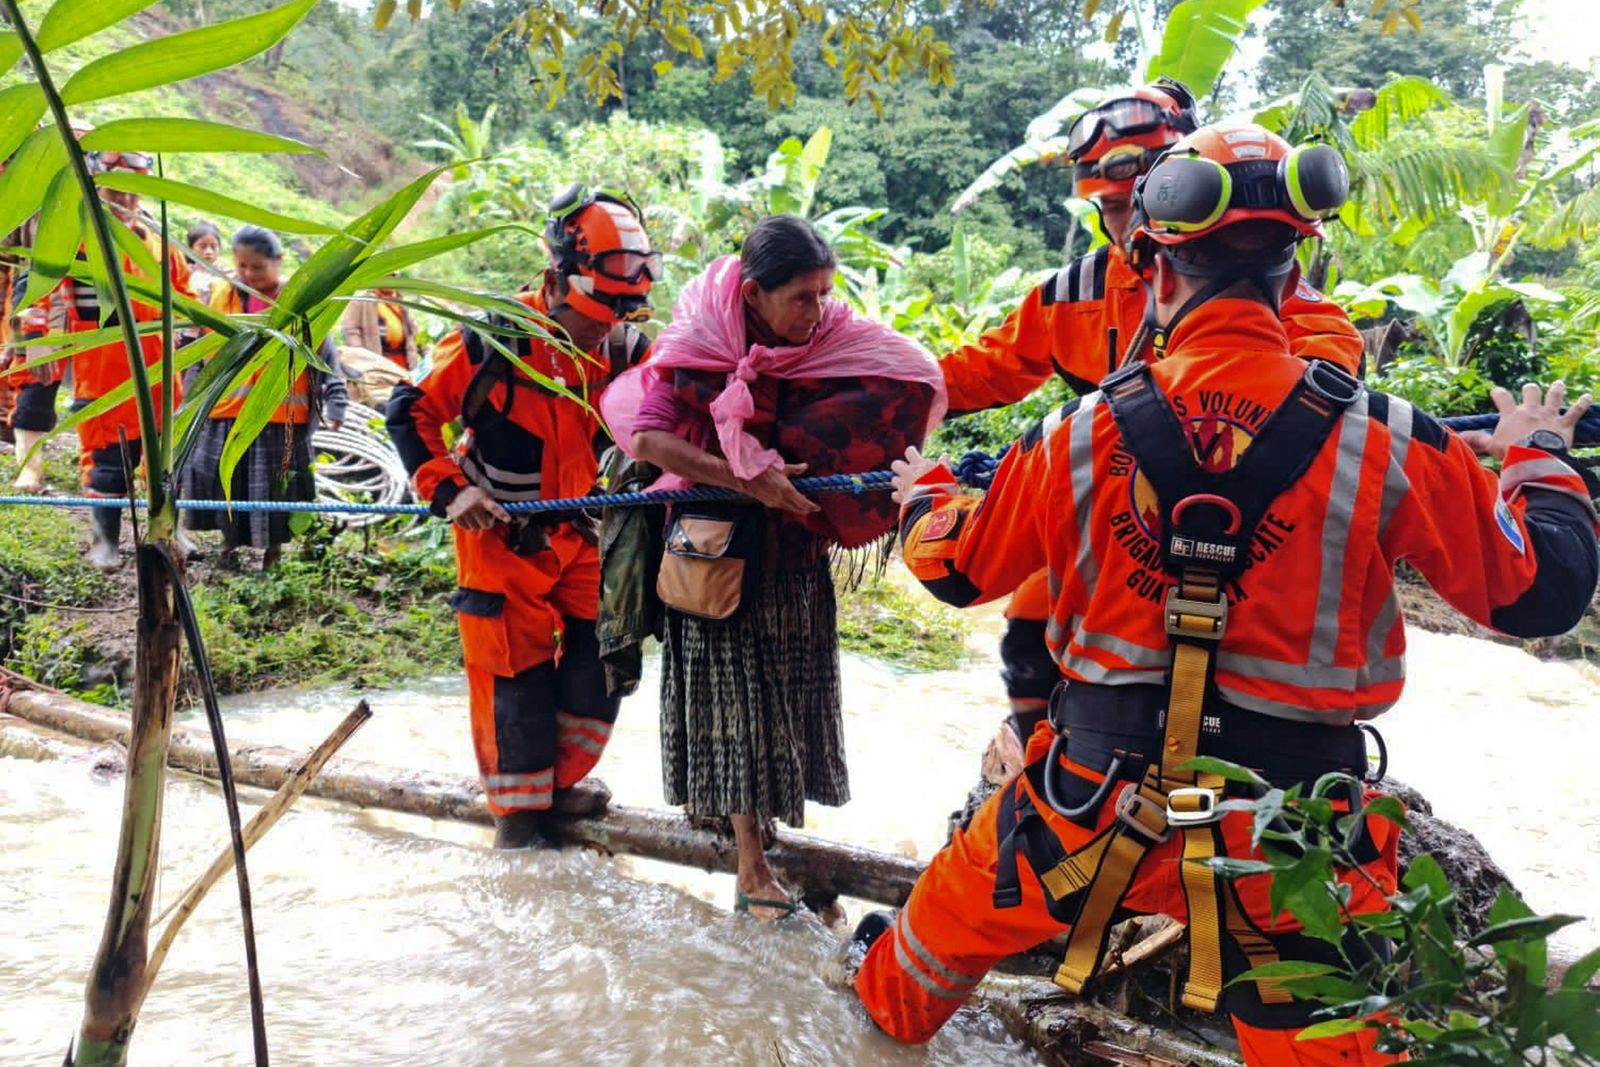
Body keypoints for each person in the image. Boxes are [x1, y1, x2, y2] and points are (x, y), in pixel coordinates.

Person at [855, 124, 1599, 1063]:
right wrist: (1539, 455)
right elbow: (1543, 593)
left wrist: (926, 492)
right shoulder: (1391, 440)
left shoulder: (1073, 435)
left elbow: (954, 567)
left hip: (1081, 807)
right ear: (1296, 277)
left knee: (896, 986)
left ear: (1158, 275)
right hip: (1296, 847)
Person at [939, 80, 1366, 779]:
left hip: (1249, 529)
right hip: (1119, 516)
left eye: (1134, 201)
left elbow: (1323, 378)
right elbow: (989, 367)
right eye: (1107, 207)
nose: (1122, 221)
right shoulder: (1074, 292)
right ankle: (1053, 762)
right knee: (1027, 629)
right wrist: (885, 390)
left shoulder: (1277, 290)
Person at [603, 216, 945, 920]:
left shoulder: (831, 343)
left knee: (785, 704)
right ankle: (753, 864)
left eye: (825, 293)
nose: (818, 311)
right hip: (716, 562)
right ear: (754, 294)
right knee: (734, 711)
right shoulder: (700, 347)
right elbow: (648, 436)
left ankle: (766, 839)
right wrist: (743, 476)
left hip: (794, 559)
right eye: (801, 297)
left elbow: (899, 384)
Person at [387, 185, 656, 849]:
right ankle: (518, 826)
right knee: (517, 677)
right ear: (554, 280)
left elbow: (666, 411)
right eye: (595, 314)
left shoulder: (625, 349)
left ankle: (559, 787)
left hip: (581, 529)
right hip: (499, 537)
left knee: (607, 653)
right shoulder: (488, 341)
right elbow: (408, 409)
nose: (603, 329)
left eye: (618, 314)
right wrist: (450, 492)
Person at [54, 150, 194, 568]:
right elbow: (52, 292)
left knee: (166, 462)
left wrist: (185, 329)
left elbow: (185, 297)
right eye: (117, 189)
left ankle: (171, 533)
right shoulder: (80, 239)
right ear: (100, 187)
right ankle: (106, 541)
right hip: (104, 377)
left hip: (158, 378)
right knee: (108, 463)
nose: (126, 199)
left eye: (134, 190)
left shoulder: (162, 245)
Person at [180, 225, 348, 570]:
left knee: (274, 492)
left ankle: (273, 554)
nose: (248, 274)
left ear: (279, 261)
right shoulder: (219, 295)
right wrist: (188, 401)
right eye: (242, 266)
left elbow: (327, 358)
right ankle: (229, 545)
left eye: (257, 267)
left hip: (278, 419)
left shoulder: (303, 303)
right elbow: (199, 353)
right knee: (225, 482)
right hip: (225, 414)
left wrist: (336, 401)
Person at [341, 286, 419, 371]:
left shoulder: (399, 300)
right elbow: (350, 331)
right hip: (376, 360)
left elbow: (412, 331)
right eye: (387, 276)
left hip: (402, 360)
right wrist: (362, 356)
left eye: (394, 276)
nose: (391, 279)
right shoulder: (361, 300)